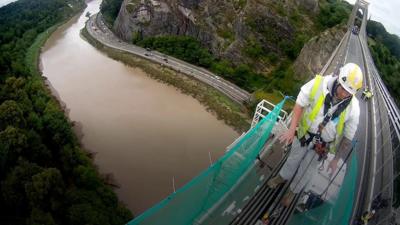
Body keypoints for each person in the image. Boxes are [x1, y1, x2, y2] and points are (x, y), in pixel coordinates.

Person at [267, 63, 363, 207]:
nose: (344, 94)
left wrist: (336, 159)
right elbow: (300, 103)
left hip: (322, 146)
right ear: (338, 80)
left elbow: (348, 137)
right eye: (342, 88)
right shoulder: (319, 84)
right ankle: (282, 177)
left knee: (307, 170)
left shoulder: (353, 108)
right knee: (293, 158)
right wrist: (292, 129)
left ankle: (293, 192)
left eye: (348, 92)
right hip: (304, 134)